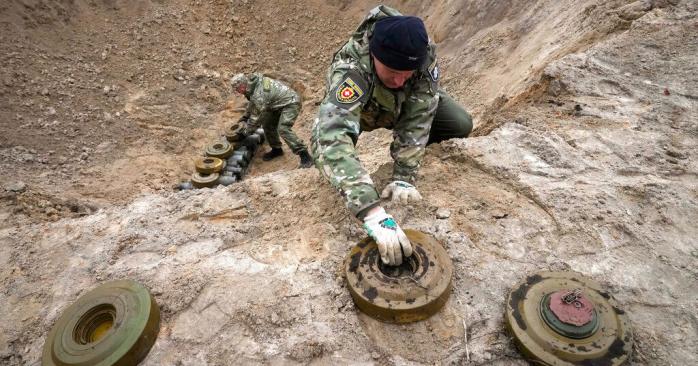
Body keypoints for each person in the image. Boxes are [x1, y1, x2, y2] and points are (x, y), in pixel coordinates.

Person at [311, 6, 473, 266]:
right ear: (375, 56)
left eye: (406, 74)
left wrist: (404, 176)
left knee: (459, 123)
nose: (400, 80)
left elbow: (420, 111)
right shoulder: (352, 70)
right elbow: (330, 135)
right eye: (393, 72)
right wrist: (372, 211)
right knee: (334, 154)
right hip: (364, 109)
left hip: (401, 105)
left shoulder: (421, 51)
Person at [230, 73, 313, 168]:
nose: (237, 91)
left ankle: (305, 155)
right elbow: (253, 103)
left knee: (283, 129)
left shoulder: (259, 94)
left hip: (290, 103)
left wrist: (245, 132)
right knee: (267, 124)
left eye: (237, 88)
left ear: (243, 85)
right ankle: (277, 149)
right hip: (276, 104)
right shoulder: (252, 85)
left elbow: (256, 118)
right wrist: (245, 116)